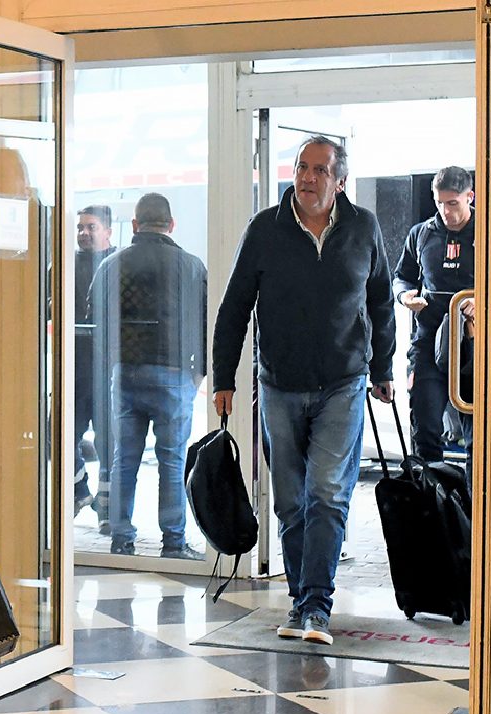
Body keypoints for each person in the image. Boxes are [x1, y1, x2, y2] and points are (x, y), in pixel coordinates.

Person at [212, 136, 394, 645]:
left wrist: (383, 367)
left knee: (328, 494)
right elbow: (234, 307)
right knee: (291, 502)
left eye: (320, 170)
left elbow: (379, 301)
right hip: (279, 384)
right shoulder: (265, 229)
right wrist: (223, 377)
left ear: (340, 180)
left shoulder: (363, 227)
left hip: (344, 381)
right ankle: (301, 601)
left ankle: (315, 605)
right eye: (302, 168)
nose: (308, 178)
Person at [92, 192, 208, 559]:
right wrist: (198, 372)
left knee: (124, 458)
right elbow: (208, 321)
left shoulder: (112, 264)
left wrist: (112, 363)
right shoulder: (190, 265)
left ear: (135, 226)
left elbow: (94, 319)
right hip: (174, 374)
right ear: (171, 225)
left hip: (125, 373)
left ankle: (121, 538)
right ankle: (173, 542)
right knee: (172, 460)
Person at [393, 166, 475, 461]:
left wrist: (484, 301)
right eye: (439, 202)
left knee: (477, 440)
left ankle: (470, 505)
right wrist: (405, 297)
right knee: (426, 431)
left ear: (470, 197)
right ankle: (433, 503)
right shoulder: (422, 234)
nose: (445, 211)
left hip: (473, 348)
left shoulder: (490, 233)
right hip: (428, 345)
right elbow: (401, 276)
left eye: (452, 203)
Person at [74, 204, 116, 524]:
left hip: (108, 369)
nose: (83, 233)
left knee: (109, 441)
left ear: (108, 231)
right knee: (57, 436)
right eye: (80, 228)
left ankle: (106, 506)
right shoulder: (62, 265)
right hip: (73, 369)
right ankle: (80, 491)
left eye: (90, 227)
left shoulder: (119, 264)